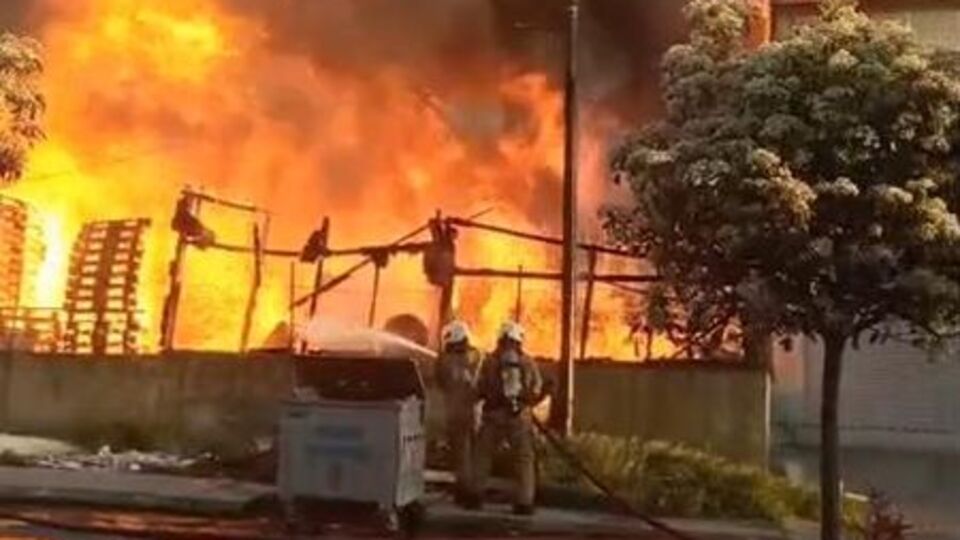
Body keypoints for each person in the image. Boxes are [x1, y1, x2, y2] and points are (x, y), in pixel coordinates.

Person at [473, 321, 543, 515]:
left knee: (482, 455)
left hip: (493, 416)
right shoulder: (527, 362)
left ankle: (475, 495)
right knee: (524, 459)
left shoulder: (488, 361)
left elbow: (478, 388)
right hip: (519, 418)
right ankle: (524, 502)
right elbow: (536, 390)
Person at [435, 320, 483, 507]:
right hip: (476, 412)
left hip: (457, 413)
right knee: (473, 455)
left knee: (461, 455)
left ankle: (465, 493)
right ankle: (472, 489)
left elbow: (440, 381)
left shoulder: (444, 359)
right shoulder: (477, 356)